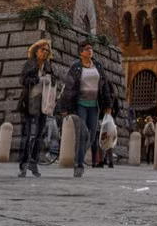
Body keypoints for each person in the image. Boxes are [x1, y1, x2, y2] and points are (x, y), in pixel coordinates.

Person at [63, 39, 114, 178]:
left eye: (91, 48)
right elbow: (68, 87)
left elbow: (105, 86)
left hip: (94, 105)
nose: (90, 51)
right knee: (82, 134)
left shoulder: (97, 65)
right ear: (81, 52)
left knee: (91, 136)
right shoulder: (76, 67)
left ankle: (78, 155)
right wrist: (66, 107)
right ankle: (78, 164)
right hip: (80, 104)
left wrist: (108, 105)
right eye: (87, 49)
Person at [17, 38, 55, 177]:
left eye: (46, 50)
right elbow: (23, 80)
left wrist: (51, 79)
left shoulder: (48, 66)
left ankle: (34, 163)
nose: (44, 52)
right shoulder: (30, 64)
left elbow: (54, 80)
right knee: (28, 135)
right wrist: (38, 80)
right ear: (36, 50)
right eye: (42, 49)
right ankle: (23, 165)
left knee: (39, 135)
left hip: (43, 103)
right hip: (29, 101)